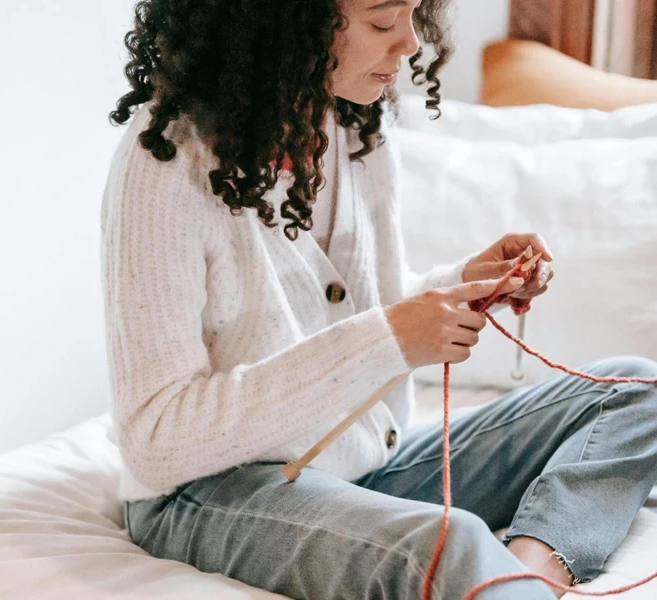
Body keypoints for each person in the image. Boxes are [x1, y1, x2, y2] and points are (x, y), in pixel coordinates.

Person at [98, 1, 657, 598]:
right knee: (452, 540)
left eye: (415, 15)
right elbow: (154, 439)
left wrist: (467, 284)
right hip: (209, 488)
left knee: (632, 391)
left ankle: (532, 575)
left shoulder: (356, 128)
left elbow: (380, 306)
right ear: (287, 26)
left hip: (362, 461)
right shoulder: (166, 164)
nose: (411, 44)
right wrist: (389, 337)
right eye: (383, 22)